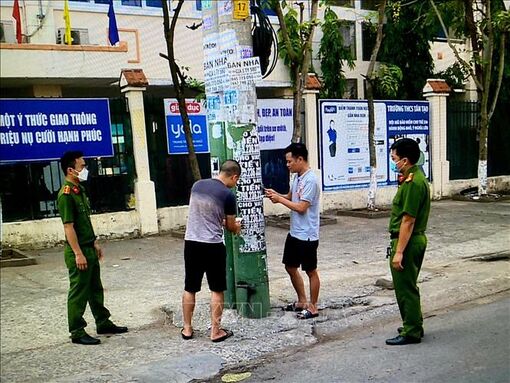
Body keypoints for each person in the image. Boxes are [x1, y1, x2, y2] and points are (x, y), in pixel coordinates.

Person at [57, 151, 127, 345]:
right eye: (82, 166)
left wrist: (94, 242)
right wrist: (78, 253)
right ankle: (77, 331)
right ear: (70, 170)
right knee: (79, 291)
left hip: (88, 247)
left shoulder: (80, 190)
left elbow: (84, 222)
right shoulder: (66, 195)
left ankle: (103, 322)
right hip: (78, 251)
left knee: (95, 288)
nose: (85, 169)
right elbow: (68, 227)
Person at [181, 160, 242, 342]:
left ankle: (187, 328)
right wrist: (236, 227)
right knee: (216, 289)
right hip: (213, 245)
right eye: (236, 181)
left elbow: (204, 216)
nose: (235, 184)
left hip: (191, 242)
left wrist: (221, 222)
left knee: (190, 287)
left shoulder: (197, 186)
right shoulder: (228, 195)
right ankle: (215, 331)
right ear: (234, 176)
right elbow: (230, 226)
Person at [265, 143, 321, 319]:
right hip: (295, 232)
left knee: (311, 271)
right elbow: (292, 196)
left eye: (290, 162)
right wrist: (278, 195)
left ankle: (313, 306)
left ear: (300, 159)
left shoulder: (311, 180)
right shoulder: (297, 177)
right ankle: (302, 301)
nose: (287, 165)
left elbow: (302, 207)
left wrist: (280, 201)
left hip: (308, 235)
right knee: (290, 266)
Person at [386, 138, 430, 346]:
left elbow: (408, 220)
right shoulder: (413, 177)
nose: (393, 162)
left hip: (408, 241)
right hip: (412, 240)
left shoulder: (414, 183)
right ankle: (414, 323)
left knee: (405, 288)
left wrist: (399, 252)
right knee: (408, 285)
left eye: (395, 159)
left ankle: (411, 331)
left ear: (405, 160)